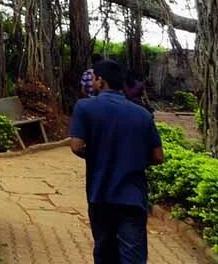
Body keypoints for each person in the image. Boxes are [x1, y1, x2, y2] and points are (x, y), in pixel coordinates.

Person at [70, 59, 164, 264]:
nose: (92, 81)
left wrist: (99, 155)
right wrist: (133, 158)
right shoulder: (143, 114)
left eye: (94, 77)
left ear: (100, 80)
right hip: (133, 196)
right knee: (133, 255)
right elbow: (158, 156)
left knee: (104, 251)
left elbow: (76, 146)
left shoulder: (84, 107)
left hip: (100, 193)